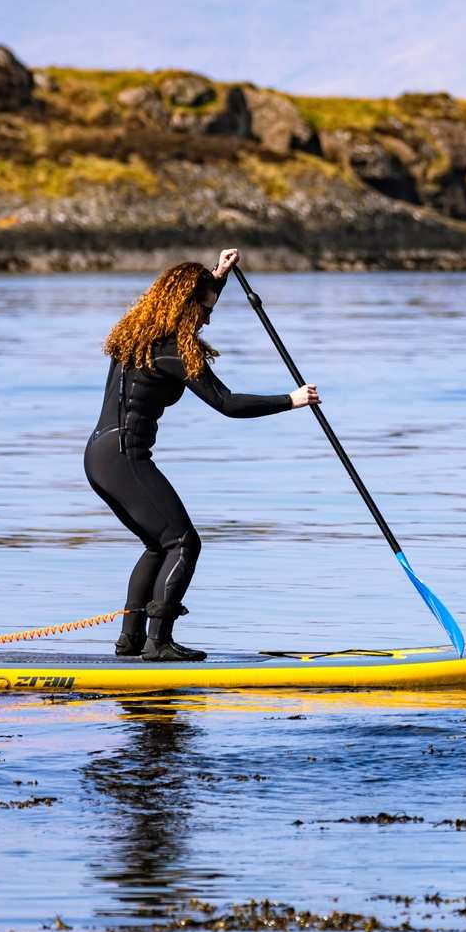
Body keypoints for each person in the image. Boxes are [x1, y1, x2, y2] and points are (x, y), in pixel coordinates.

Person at [86, 248, 318, 661]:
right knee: (183, 542)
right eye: (205, 310)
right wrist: (292, 400)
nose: (209, 319)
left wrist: (218, 277)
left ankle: (131, 642)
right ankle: (158, 644)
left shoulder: (139, 333)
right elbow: (226, 403)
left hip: (101, 454)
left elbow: (193, 298)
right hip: (124, 457)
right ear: (184, 306)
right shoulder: (173, 350)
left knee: (158, 546)